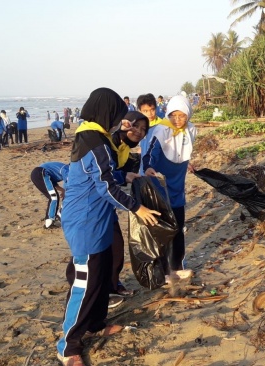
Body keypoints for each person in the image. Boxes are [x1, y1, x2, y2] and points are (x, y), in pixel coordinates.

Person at [56, 87, 160, 365]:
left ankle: (95, 323)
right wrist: (138, 208)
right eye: (116, 113)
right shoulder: (92, 140)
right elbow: (105, 185)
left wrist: (130, 174)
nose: (119, 119)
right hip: (85, 220)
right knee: (85, 283)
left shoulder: (100, 138)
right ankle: (68, 346)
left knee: (101, 277)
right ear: (106, 113)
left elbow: (110, 172)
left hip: (100, 218)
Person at [142, 95, 197, 281]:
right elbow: (149, 154)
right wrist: (148, 167)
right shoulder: (161, 130)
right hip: (161, 183)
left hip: (178, 184)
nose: (177, 120)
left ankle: (178, 265)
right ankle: (164, 270)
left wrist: (187, 163)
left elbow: (185, 151)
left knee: (179, 226)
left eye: (182, 116)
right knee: (164, 228)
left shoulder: (191, 130)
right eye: (173, 115)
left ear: (188, 115)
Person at [104, 110, 150, 304]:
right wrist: (135, 206)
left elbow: (123, 170)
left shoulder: (123, 148)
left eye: (143, 129)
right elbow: (104, 176)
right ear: (126, 123)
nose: (139, 132)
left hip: (107, 205)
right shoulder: (109, 143)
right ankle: (104, 291)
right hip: (95, 204)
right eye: (136, 126)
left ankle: (112, 286)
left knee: (115, 247)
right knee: (102, 250)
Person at [30, 162, 69, 228]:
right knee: (53, 197)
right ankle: (49, 222)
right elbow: (70, 183)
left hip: (38, 174)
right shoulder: (67, 169)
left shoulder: (64, 168)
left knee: (54, 196)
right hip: (40, 173)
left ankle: (55, 217)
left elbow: (52, 182)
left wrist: (63, 190)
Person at [137, 93, 164, 174]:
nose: (150, 114)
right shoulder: (139, 126)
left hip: (158, 168)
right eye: (145, 111)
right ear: (139, 111)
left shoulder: (162, 126)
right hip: (143, 167)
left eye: (152, 109)